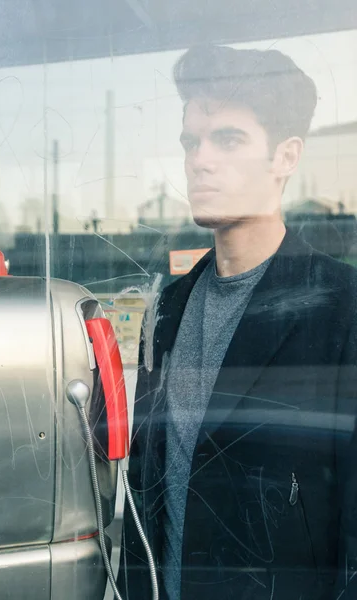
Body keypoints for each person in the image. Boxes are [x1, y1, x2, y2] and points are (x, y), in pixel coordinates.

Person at [117, 44, 357, 600]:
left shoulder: (340, 307)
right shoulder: (169, 307)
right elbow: (149, 490)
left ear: (285, 156)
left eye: (227, 139)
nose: (200, 159)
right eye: (190, 142)